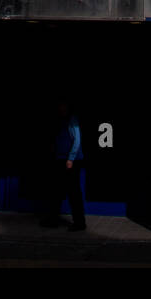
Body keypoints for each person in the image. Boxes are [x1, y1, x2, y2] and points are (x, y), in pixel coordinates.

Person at [40, 97, 86, 231]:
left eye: (63, 106)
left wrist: (70, 159)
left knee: (73, 192)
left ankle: (79, 222)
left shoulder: (72, 120)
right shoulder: (61, 120)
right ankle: (53, 220)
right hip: (61, 160)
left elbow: (77, 140)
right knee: (57, 191)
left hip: (69, 162)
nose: (61, 108)